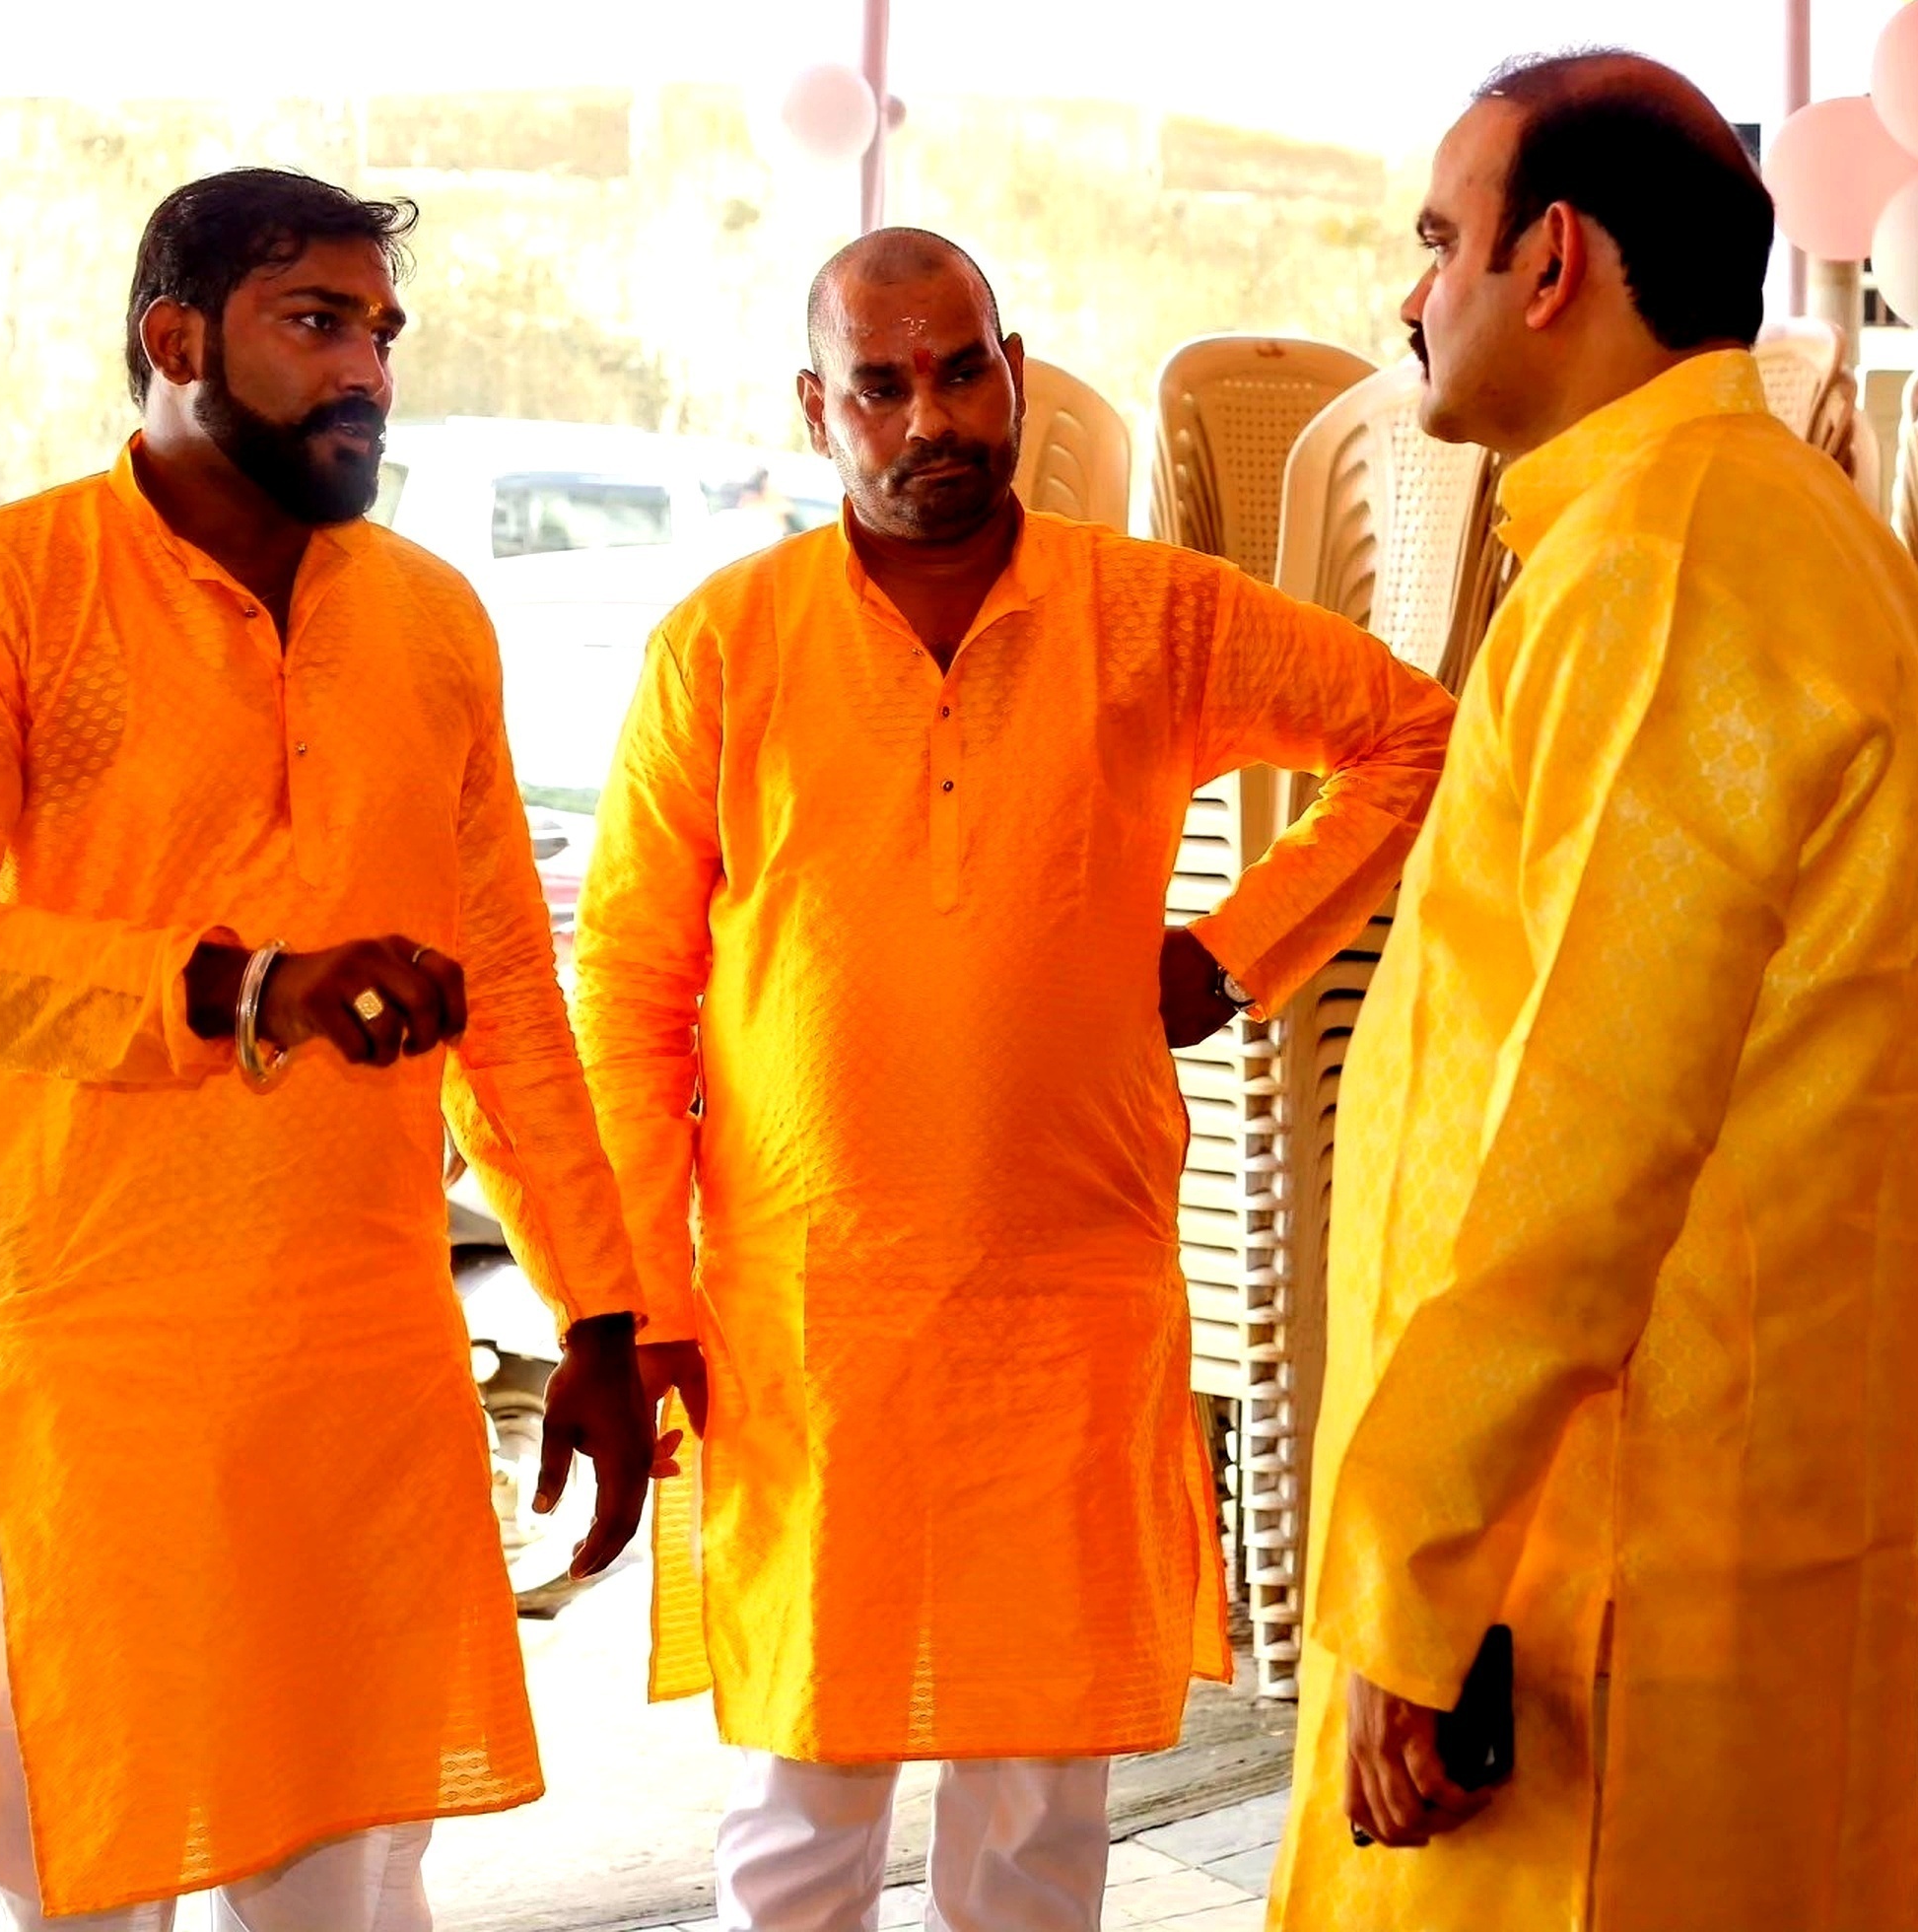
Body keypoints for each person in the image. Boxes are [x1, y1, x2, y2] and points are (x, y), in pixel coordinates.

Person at [573, 226, 1456, 1932]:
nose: (931, 419)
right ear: (816, 410)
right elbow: (628, 986)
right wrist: (639, 1299)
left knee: (1042, 1802)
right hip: (815, 1310)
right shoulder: (726, 644)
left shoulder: (1148, 614)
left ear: (1016, 373)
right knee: (808, 1786)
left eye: (961, 371)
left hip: (1065, 1300)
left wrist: (1234, 951)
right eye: (881, 387)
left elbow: (1411, 733)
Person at [0, 169, 658, 1931]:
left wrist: (601, 1310)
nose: (368, 368)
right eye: (317, 323)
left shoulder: (431, 618)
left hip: (364, 1350)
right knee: (90, 1858)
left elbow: (508, 991)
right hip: (101, 1353)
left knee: (349, 1869)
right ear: (176, 337)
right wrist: (238, 991)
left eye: (382, 331)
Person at [1266, 53, 1918, 1932]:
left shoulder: (1666, 567)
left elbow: (1582, 1126)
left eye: (1442, 239)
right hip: (1716, 1534)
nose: (1413, 293)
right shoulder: (1789, 529)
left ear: (1553, 257)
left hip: (1586, 1567)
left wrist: (1414, 1567)